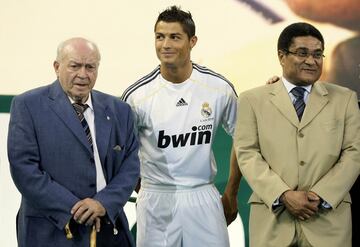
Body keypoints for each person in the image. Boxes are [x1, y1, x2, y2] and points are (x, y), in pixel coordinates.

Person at [121, 6, 241, 247]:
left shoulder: (218, 88)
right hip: (156, 197)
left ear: (192, 41)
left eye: (174, 37)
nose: (165, 44)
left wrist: (231, 192)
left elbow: (245, 140)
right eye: (159, 36)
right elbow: (120, 151)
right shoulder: (137, 96)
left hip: (203, 195)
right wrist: (143, 188)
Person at [234, 22, 360, 247]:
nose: (311, 61)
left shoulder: (345, 99)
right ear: (282, 56)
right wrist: (282, 194)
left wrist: (320, 196)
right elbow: (247, 153)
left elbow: (354, 152)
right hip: (273, 223)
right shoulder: (252, 100)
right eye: (302, 53)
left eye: (317, 54)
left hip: (328, 223)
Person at [7, 37, 140, 247]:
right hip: (51, 231)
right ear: (57, 67)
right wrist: (75, 208)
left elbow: (131, 166)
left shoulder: (119, 110)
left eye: (90, 67)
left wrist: (103, 203)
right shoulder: (28, 105)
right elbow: (24, 169)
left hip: (108, 230)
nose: (83, 74)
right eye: (75, 66)